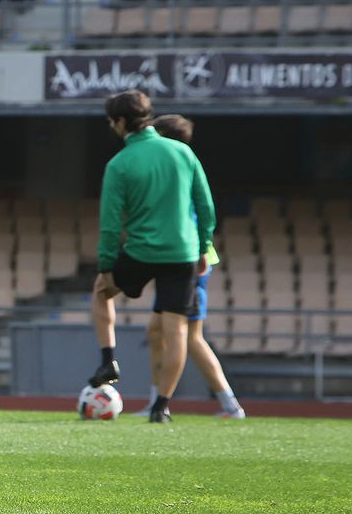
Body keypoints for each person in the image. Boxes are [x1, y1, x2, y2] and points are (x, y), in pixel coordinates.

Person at [88, 89, 216, 424]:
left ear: (120, 121)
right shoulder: (183, 152)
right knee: (176, 332)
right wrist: (203, 246)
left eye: (111, 121)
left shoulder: (119, 163)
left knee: (101, 292)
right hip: (182, 253)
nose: (111, 126)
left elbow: (110, 224)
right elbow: (205, 206)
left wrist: (107, 265)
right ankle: (161, 407)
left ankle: (108, 360)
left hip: (142, 251)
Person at [142, 114, 245, 419]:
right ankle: (155, 401)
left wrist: (199, 250)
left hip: (191, 262)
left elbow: (199, 215)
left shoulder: (181, 173)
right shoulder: (177, 170)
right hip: (182, 259)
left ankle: (230, 405)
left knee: (191, 337)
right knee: (155, 331)